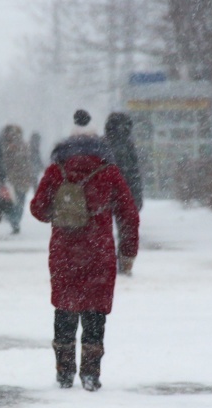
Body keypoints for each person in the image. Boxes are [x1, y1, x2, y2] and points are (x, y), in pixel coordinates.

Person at [30, 109, 140, 391]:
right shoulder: (109, 171)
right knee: (94, 311)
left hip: (64, 251)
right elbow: (129, 215)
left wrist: (62, 211)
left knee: (65, 308)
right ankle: (91, 374)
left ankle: (64, 372)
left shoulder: (57, 170)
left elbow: (37, 209)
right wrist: (127, 253)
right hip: (99, 251)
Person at [0, 124, 36, 234]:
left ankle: (14, 221)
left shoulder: (12, 146)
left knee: (17, 202)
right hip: (15, 179)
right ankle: (14, 221)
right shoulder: (12, 146)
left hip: (16, 179)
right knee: (17, 202)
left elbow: (27, 163)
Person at [104, 112, 143, 211]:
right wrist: (137, 198)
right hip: (125, 191)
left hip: (106, 192)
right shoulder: (128, 145)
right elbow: (134, 173)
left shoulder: (103, 144)